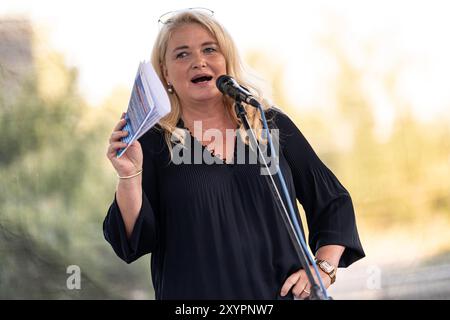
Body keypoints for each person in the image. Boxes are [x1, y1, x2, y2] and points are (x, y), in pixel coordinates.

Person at [104, 8, 365, 300]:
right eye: (182, 54)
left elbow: (333, 201)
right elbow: (131, 241)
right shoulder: (152, 142)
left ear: (226, 60)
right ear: (164, 72)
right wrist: (128, 176)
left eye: (209, 49)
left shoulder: (269, 125)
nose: (198, 61)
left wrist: (324, 269)